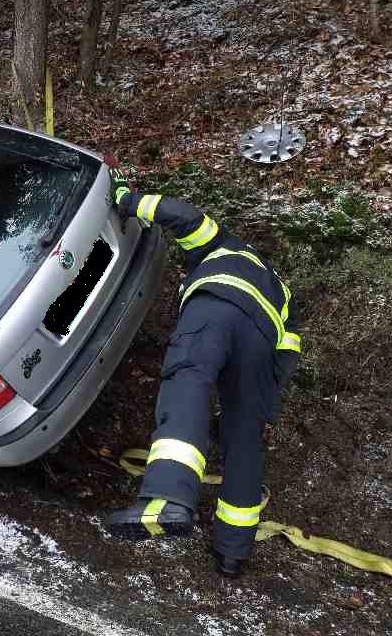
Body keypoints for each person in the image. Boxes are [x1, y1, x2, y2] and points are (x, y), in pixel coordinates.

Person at [104, 169, 301, 577]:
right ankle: (233, 551)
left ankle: (165, 498)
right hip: (263, 344)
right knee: (245, 439)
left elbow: (179, 214)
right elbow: (288, 349)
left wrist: (124, 198)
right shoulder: (282, 292)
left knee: (188, 380)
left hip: (217, 304)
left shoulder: (221, 246)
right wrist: (260, 397)